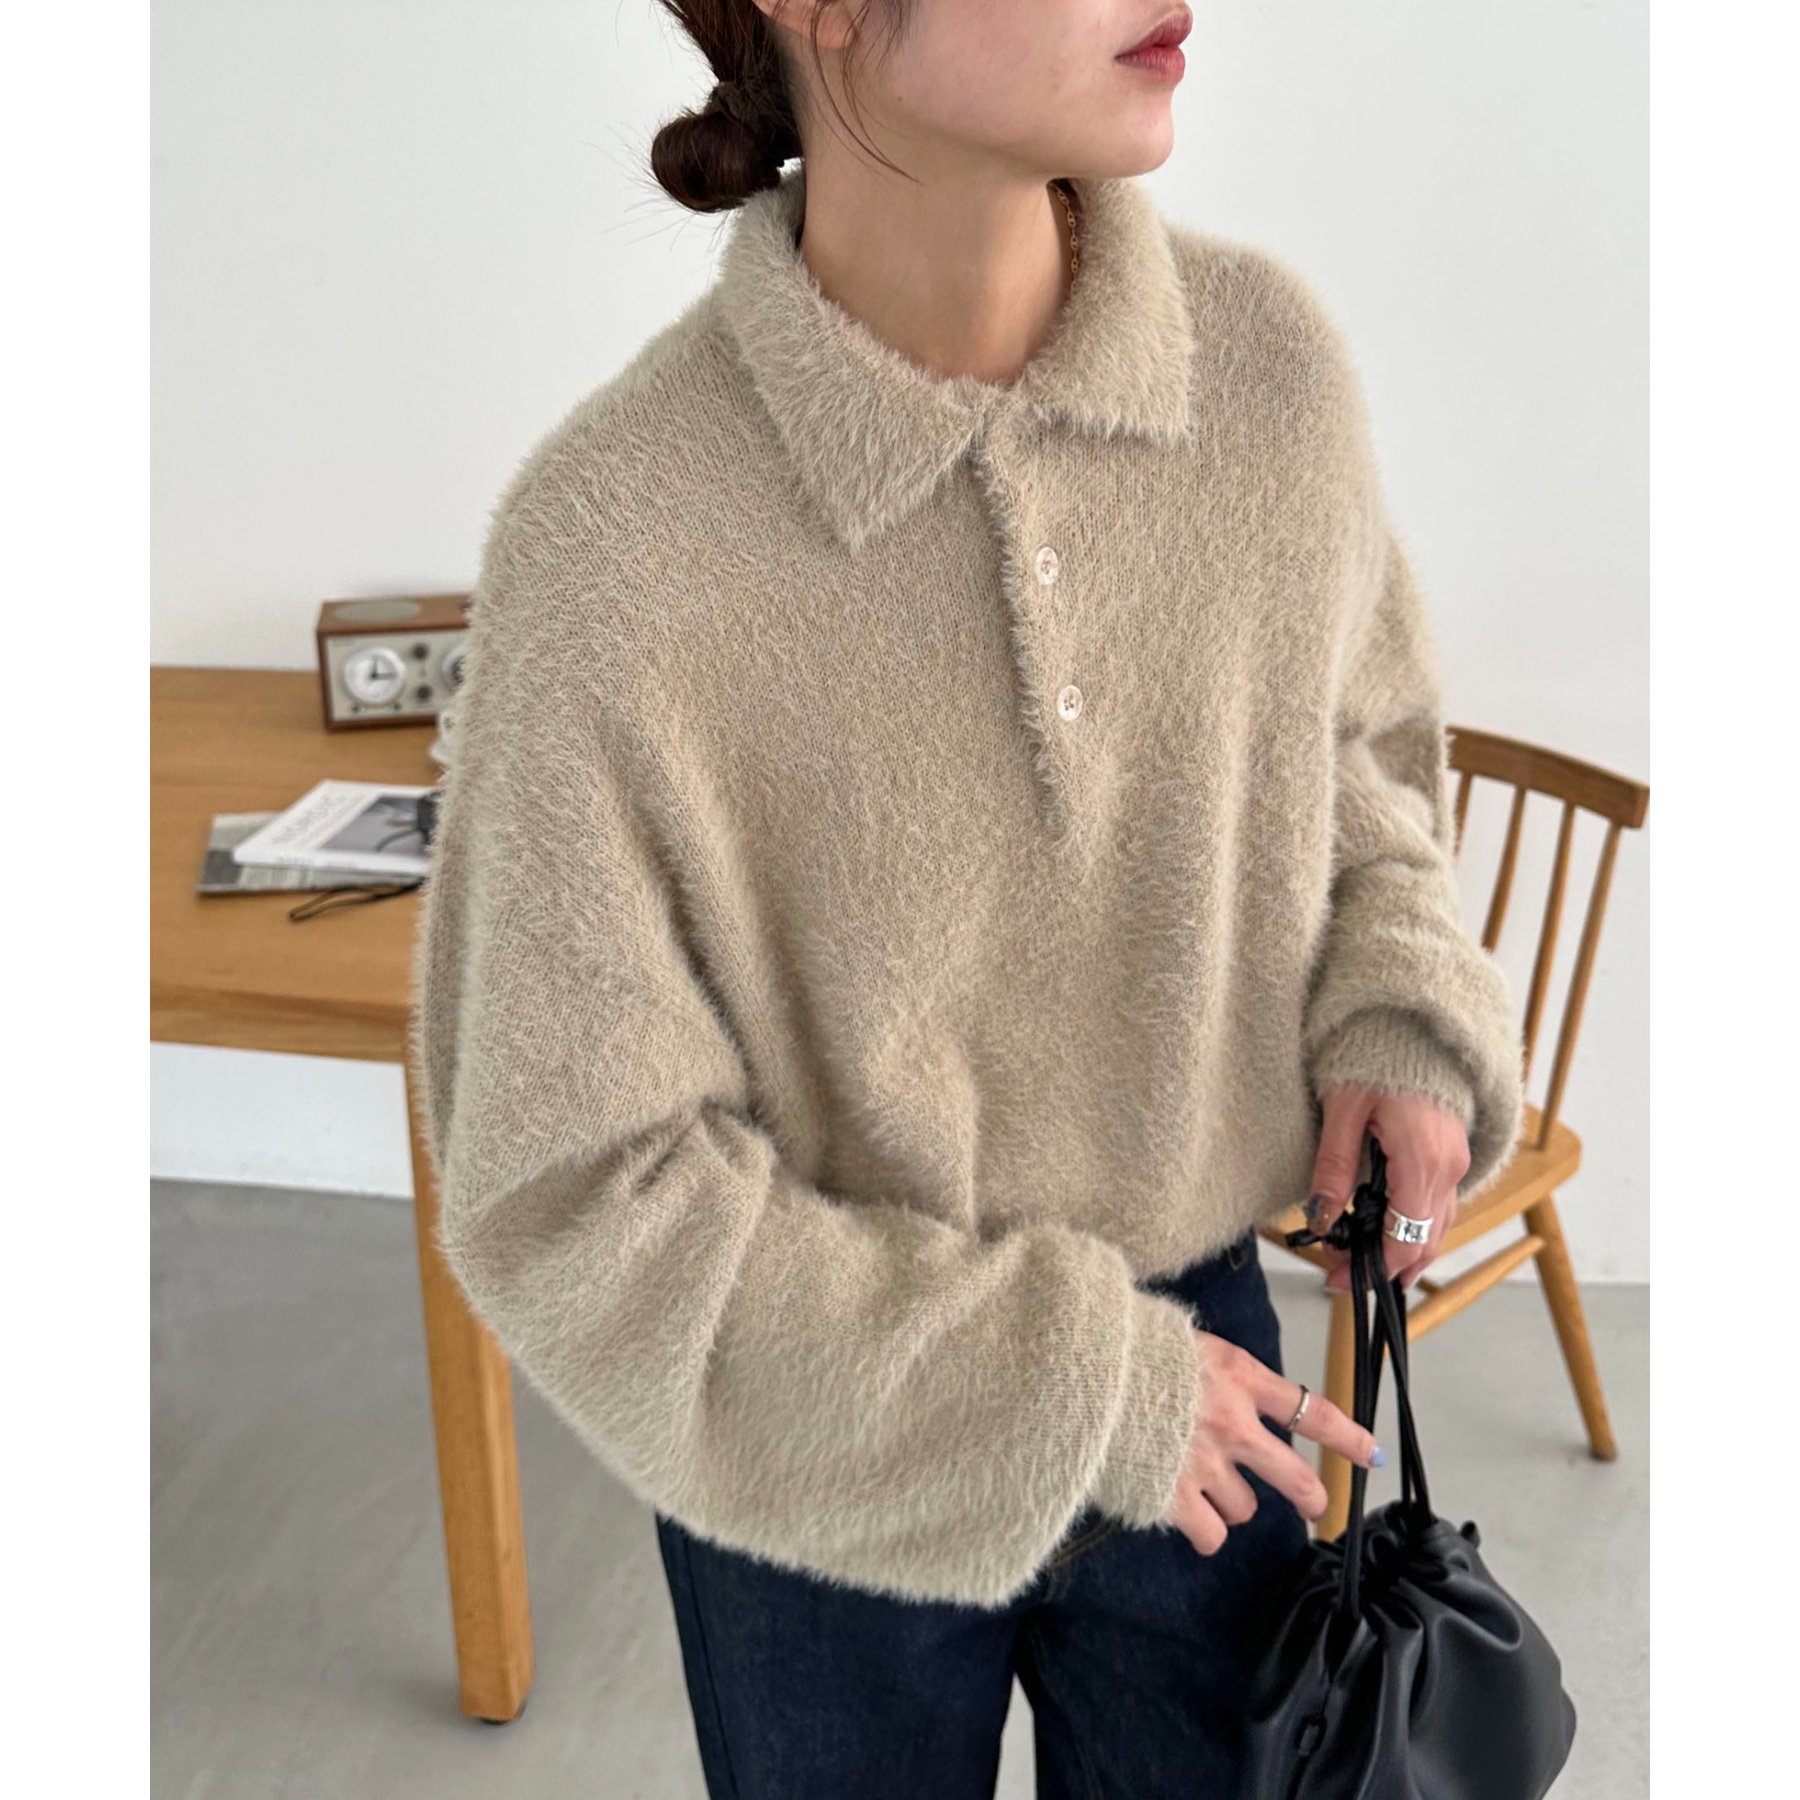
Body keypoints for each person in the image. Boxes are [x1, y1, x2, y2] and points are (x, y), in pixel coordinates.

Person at [407, 1, 1527, 1792]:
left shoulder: (1267, 375)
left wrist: (1394, 1005)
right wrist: (1067, 1394)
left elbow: (1356, 755)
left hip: (1216, 1371)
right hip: (819, 1448)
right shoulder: (613, 547)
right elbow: (568, 1190)